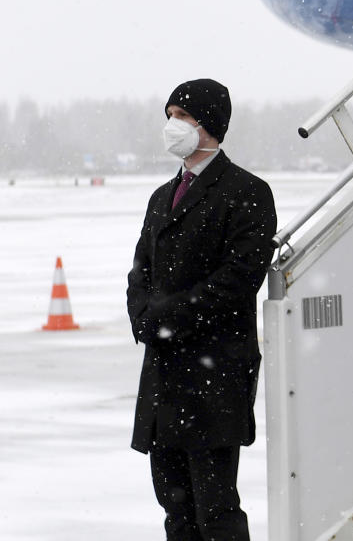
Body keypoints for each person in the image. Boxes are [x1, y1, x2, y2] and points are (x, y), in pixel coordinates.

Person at [127, 78, 277, 541]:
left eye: (182, 117)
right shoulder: (161, 196)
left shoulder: (247, 191)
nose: (172, 126)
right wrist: (143, 315)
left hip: (213, 371)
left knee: (215, 508)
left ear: (208, 124)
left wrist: (170, 316)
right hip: (165, 371)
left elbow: (238, 280)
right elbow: (140, 269)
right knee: (174, 506)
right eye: (169, 116)